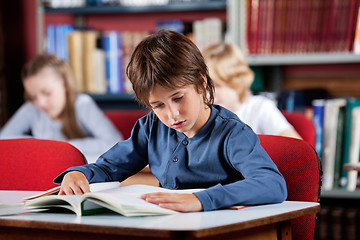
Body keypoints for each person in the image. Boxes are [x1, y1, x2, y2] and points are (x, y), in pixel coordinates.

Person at [54, 30, 287, 213]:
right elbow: (108, 167)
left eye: (178, 98)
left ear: (201, 83)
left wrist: (200, 199)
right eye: (158, 106)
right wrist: (80, 174)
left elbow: (272, 184)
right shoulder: (150, 128)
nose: (172, 114)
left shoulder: (232, 133)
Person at [0, 53, 122, 163]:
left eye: (47, 93)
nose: (41, 102)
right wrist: (41, 145)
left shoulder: (82, 104)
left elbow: (114, 142)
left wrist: (62, 146)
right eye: (33, 97)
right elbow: (3, 139)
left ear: (64, 84)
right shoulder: (32, 109)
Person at [202, 43, 302, 139]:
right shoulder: (201, 115)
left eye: (218, 86)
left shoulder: (259, 108)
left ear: (238, 83)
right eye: (204, 87)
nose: (208, 93)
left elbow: (299, 150)